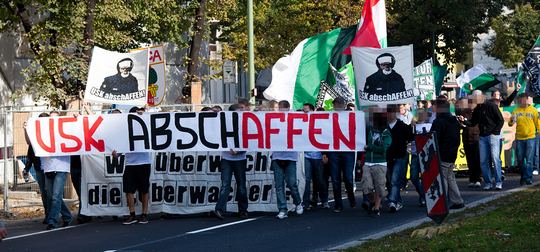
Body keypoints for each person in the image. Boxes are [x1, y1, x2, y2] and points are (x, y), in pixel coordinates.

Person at [458, 90, 504, 190]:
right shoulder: (478, 108)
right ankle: (488, 182)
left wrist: (495, 132)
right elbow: (473, 122)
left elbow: (500, 120)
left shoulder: (491, 106)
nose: (473, 100)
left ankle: (498, 181)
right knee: (483, 161)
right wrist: (464, 121)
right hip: (482, 137)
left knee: (495, 160)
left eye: (474, 98)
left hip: (493, 136)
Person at [114, 107, 152, 225]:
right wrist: (117, 154)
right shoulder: (126, 131)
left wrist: (143, 114)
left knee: (144, 190)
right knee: (129, 190)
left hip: (144, 162)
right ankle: (132, 214)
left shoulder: (147, 127)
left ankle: (144, 214)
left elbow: (155, 121)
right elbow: (122, 147)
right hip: (130, 164)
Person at [213, 103, 249, 219]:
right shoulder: (225, 123)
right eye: (240, 110)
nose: (243, 112)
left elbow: (249, 140)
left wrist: (238, 151)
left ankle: (243, 210)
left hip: (239, 158)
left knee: (241, 185)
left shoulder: (245, 123)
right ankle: (220, 209)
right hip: (227, 158)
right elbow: (219, 136)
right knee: (225, 185)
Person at [431, 97, 465, 209]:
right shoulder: (453, 119)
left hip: (442, 153)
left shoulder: (438, 121)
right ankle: (457, 200)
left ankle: (442, 203)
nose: (432, 108)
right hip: (452, 153)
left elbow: (434, 137)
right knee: (450, 177)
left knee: (442, 178)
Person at [272, 100, 303, 219]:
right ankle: (283, 209)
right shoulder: (273, 120)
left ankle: (298, 202)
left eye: (282, 108)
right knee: (279, 185)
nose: (280, 110)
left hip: (290, 156)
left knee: (291, 183)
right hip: (277, 156)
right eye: (279, 108)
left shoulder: (294, 119)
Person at [42, 111, 73, 230]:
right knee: (52, 196)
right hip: (48, 167)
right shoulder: (44, 132)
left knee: (55, 196)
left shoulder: (65, 131)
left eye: (55, 118)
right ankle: (67, 216)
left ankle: (52, 220)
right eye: (51, 118)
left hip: (61, 166)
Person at [328, 97, 357, 213]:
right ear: (334, 105)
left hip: (347, 151)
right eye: (336, 104)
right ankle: (338, 204)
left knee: (348, 178)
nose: (338, 106)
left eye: (340, 104)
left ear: (344, 105)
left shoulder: (351, 115)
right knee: (335, 179)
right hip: (334, 151)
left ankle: (351, 197)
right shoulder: (329, 116)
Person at [362, 110, 391, 216]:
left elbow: (383, 149)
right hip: (368, 162)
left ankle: (377, 208)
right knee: (366, 186)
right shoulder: (369, 130)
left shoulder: (386, 133)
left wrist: (370, 147)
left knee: (379, 186)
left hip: (380, 163)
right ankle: (373, 201)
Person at [23, 113, 50, 224]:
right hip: (39, 167)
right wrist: (25, 129)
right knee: (44, 192)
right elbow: (29, 143)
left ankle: (55, 214)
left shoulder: (53, 132)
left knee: (52, 193)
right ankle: (48, 215)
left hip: (51, 167)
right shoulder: (36, 133)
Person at [386, 104, 413, 212]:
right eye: (389, 113)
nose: (390, 115)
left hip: (400, 156)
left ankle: (393, 201)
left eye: (393, 112)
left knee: (394, 180)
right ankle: (398, 200)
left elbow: (411, 137)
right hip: (388, 156)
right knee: (389, 180)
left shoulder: (402, 125)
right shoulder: (384, 126)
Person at [301, 103, 327, 210]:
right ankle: (306, 203)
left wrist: (325, 153)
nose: (304, 113)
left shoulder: (319, 122)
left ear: (313, 110)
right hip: (306, 155)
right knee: (306, 180)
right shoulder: (301, 122)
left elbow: (326, 137)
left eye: (306, 111)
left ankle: (324, 200)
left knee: (320, 179)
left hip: (318, 155)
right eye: (303, 111)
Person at [509, 93, 539, 185]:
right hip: (519, 138)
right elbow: (510, 124)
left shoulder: (533, 111)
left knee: (529, 159)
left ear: (527, 99)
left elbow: (538, 123)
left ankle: (528, 178)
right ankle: (523, 176)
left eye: (523, 99)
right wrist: (512, 120)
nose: (522, 101)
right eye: (520, 99)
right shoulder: (516, 111)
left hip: (531, 138)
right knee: (520, 159)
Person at [456, 97, 482, 187]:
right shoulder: (463, 112)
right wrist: (461, 123)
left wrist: (465, 122)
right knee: (469, 159)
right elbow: (462, 126)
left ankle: (478, 178)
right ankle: (472, 179)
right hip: (466, 137)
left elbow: (474, 123)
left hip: (476, 137)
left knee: (476, 159)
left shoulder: (477, 112)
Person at [410, 108, 429, 206]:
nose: (420, 116)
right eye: (418, 114)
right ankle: (423, 194)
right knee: (413, 177)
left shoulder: (429, 126)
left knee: (425, 177)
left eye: (422, 114)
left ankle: (424, 197)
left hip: (425, 154)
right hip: (415, 154)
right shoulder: (413, 126)